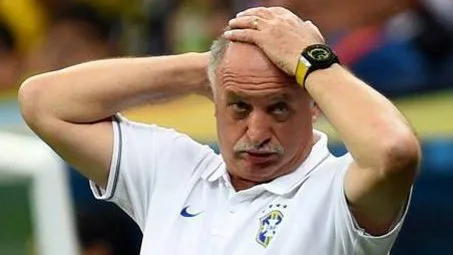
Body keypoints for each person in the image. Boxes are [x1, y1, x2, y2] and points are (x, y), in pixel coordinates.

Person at [18, 6, 421, 255]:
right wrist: (212, 67)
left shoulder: (337, 192)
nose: (257, 131)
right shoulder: (173, 170)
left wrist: (312, 60)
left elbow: (395, 151)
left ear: (315, 104)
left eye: (278, 108)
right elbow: (42, 102)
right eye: (239, 106)